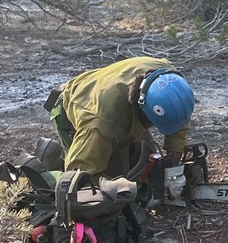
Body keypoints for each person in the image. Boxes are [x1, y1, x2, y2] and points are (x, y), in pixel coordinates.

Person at [47, 56, 195, 178]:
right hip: (74, 102)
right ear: (142, 107)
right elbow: (78, 174)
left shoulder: (170, 81)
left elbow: (178, 119)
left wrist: (172, 163)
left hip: (110, 91)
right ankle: (45, 173)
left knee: (143, 163)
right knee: (112, 182)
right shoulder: (100, 125)